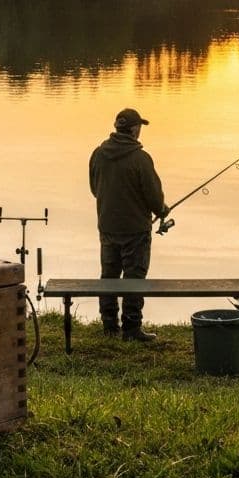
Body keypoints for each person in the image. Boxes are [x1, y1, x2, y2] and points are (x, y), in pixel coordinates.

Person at [88, 108, 169, 341]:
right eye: (140, 127)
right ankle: (132, 329)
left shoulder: (98, 154)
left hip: (107, 226)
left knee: (109, 276)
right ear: (134, 129)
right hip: (135, 231)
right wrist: (162, 210)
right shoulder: (141, 159)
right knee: (134, 278)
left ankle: (110, 326)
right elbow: (154, 199)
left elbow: (95, 189)